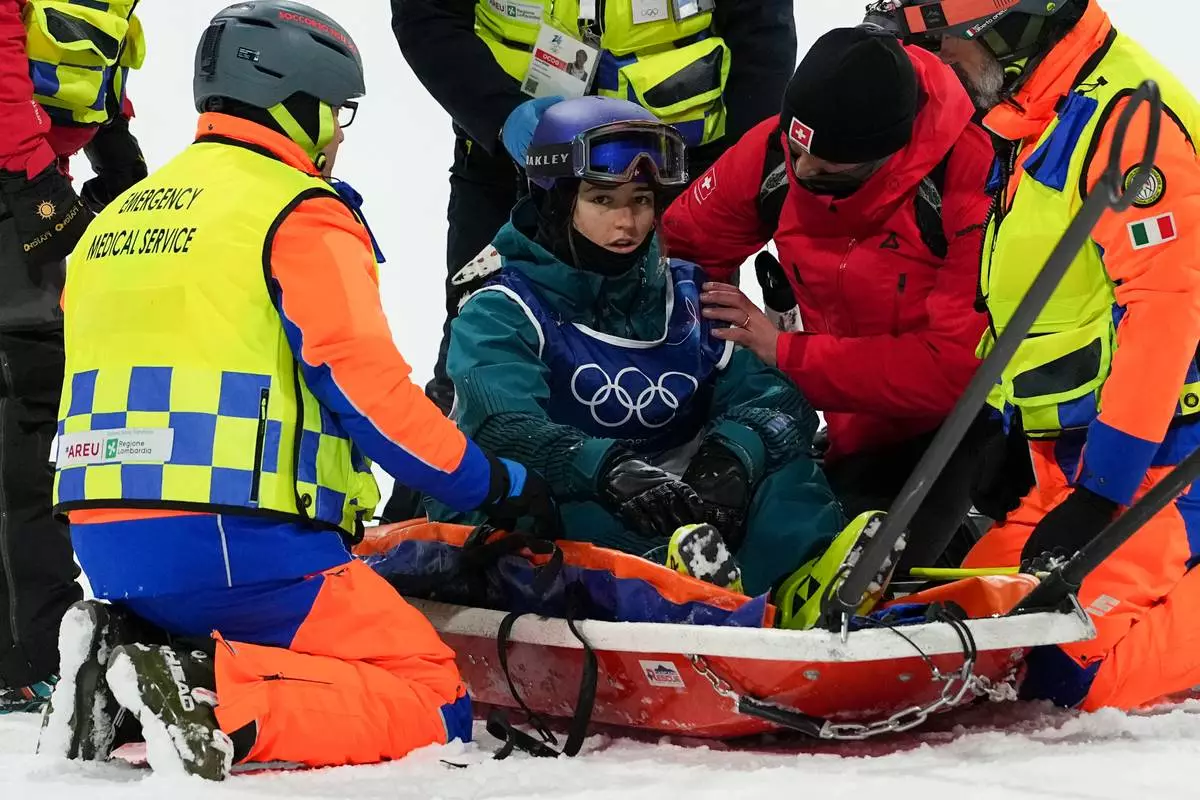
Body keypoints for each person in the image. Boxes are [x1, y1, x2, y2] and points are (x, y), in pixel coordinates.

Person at [38, 1, 557, 780]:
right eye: (339, 114)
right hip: (242, 540)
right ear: (299, 101)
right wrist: (498, 483)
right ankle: (212, 697)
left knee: (268, 638)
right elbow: (371, 394)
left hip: (105, 540)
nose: (340, 135)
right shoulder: (296, 211)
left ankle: (136, 659)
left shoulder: (114, 219)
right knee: (430, 694)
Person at [872, 0, 1200, 711]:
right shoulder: (1033, 116)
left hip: (1165, 472)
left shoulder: (1128, 124)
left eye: (945, 44)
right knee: (966, 642)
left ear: (1007, 28)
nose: (939, 67)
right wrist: (996, 427)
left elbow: (1165, 310)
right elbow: (1041, 305)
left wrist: (1102, 493)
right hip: (1068, 466)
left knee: (1072, 678)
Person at [429, 95, 844, 599]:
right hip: (569, 496)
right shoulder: (501, 307)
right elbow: (500, 427)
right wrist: (606, 469)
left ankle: (804, 587)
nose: (626, 222)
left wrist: (731, 458)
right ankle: (688, 595)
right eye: (602, 199)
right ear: (558, 201)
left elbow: (778, 399)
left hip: (681, 500)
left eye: (641, 200)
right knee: (572, 510)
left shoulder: (689, 296)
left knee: (788, 472)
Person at [661, 26, 995, 570]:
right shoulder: (777, 153)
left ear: (891, 152)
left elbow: (954, 370)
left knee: (851, 582)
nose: (804, 173)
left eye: (828, 169)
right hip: (841, 422)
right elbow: (683, 246)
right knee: (765, 544)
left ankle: (968, 538)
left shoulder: (973, 175)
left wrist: (784, 352)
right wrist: (704, 364)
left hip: (958, 428)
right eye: (797, 152)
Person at [390, 0, 798, 415]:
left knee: (699, 358)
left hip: (673, 168)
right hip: (516, 158)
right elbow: (425, 14)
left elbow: (763, 26)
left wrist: (744, 163)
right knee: (478, 356)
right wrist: (498, 113)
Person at [0, 0, 147, 713]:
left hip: (34, 169)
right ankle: (22, 653)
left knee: (42, 407)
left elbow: (88, 53)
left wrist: (117, 147)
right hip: (14, 174)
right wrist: (35, 183)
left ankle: (36, 637)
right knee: (19, 412)